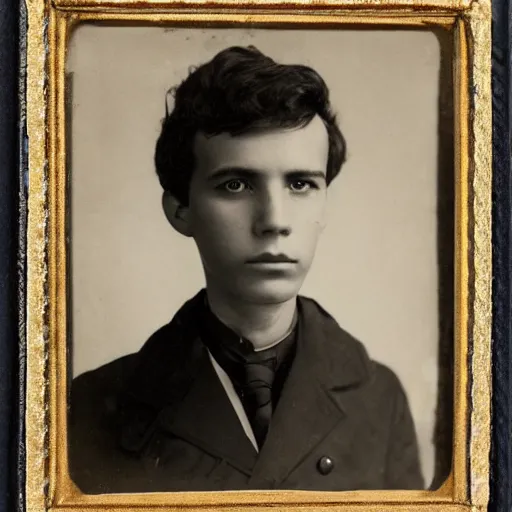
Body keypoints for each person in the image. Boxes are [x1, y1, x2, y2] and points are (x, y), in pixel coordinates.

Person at [69, 45, 424, 494]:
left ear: (324, 204)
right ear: (180, 210)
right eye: (235, 184)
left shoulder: (379, 399)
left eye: (300, 184)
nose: (274, 220)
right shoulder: (90, 409)